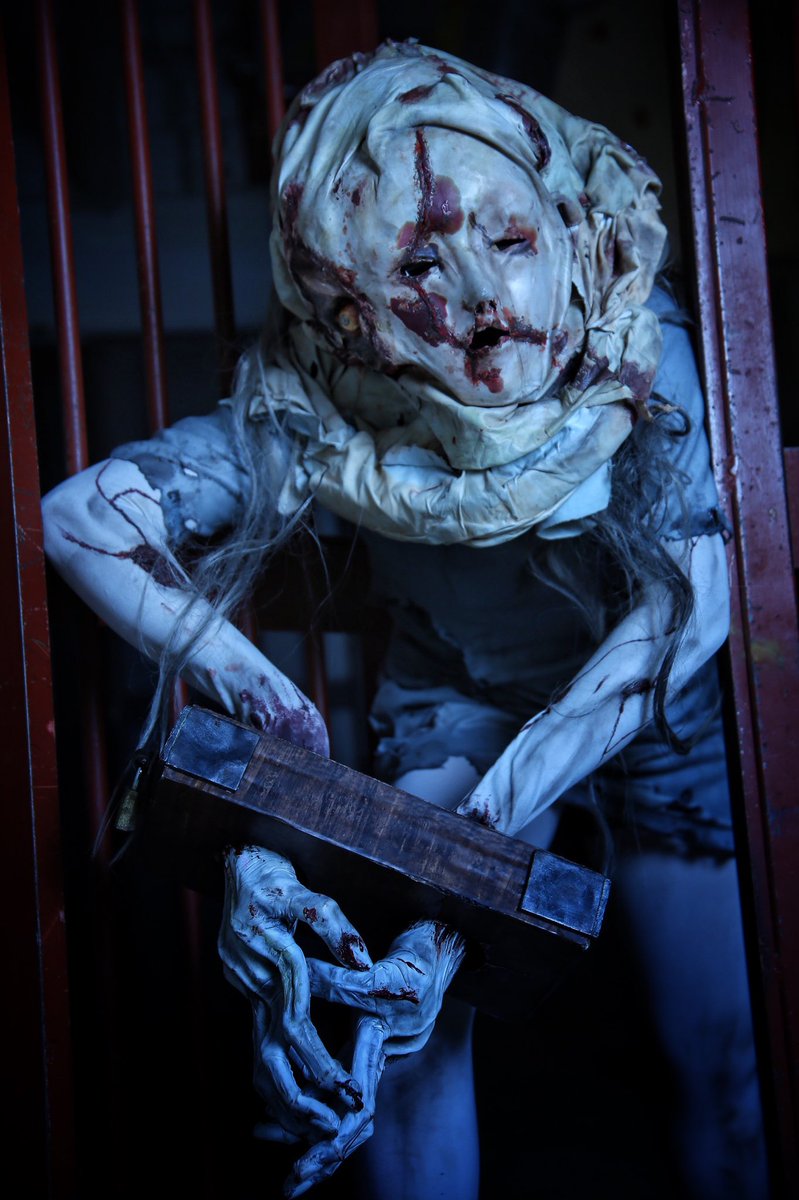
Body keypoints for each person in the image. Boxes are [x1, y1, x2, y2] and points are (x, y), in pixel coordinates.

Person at [42, 40, 766, 1200]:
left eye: (511, 242)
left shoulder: (633, 327)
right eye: (423, 261)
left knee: (724, 1065)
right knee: (398, 1021)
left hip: (656, 711)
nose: (485, 298)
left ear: (559, 226)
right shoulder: (317, 399)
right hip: (458, 700)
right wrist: (262, 694)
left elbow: (702, 597)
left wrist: (491, 816)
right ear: (354, 309)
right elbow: (80, 516)